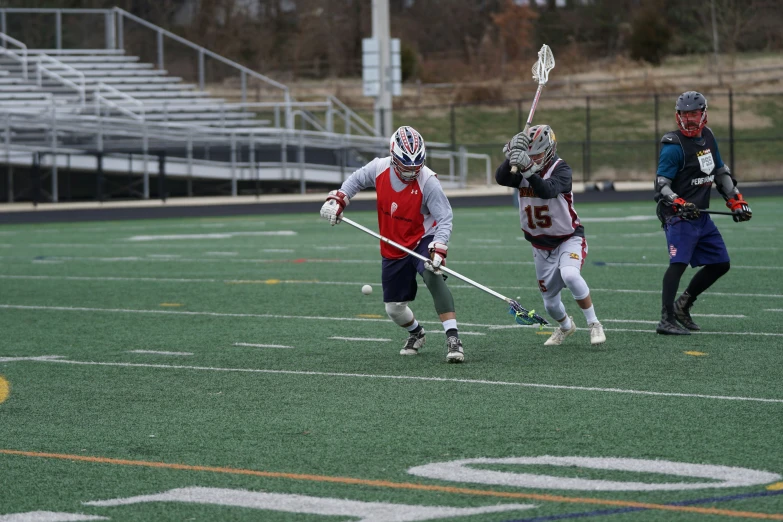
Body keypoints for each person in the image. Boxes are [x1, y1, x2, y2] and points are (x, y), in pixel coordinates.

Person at [319, 126, 465, 363]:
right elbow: (354, 181)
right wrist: (338, 201)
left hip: (421, 238)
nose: (411, 173)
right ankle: (416, 333)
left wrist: (439, 246)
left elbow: (445, 217)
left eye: (415, 167)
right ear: (394, 158)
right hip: (393, 243)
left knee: (432, 274)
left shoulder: (428, 181)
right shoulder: (378, 167)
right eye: (406, 168)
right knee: (394, 309)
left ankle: (453, 337)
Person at [495, 125, 606, 346]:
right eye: (530, 153)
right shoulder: (523, 168)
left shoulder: (561, 168)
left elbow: (546, 190)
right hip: (539, 245)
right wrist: (511, 155)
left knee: (570, 275)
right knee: (550, 304)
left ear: (549, 149)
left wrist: (528, 168)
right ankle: (566, 326)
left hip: (568, 238)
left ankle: (594, 323)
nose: (533, 158)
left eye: (537, 154)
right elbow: (501, 178)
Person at [654, 91, 752, 335]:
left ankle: (683, 304)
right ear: (678, 116)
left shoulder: (708, 136)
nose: (689, 119)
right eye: (684, 114)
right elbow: (661, 185)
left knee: (721, 263)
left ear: (703, 113)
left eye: (693, 113)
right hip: (678, 215)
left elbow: (720, 172)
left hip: (701, 214)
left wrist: (736, 201)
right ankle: (666, 320)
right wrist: (679, 202)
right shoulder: (673, 145)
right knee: (678, 264)